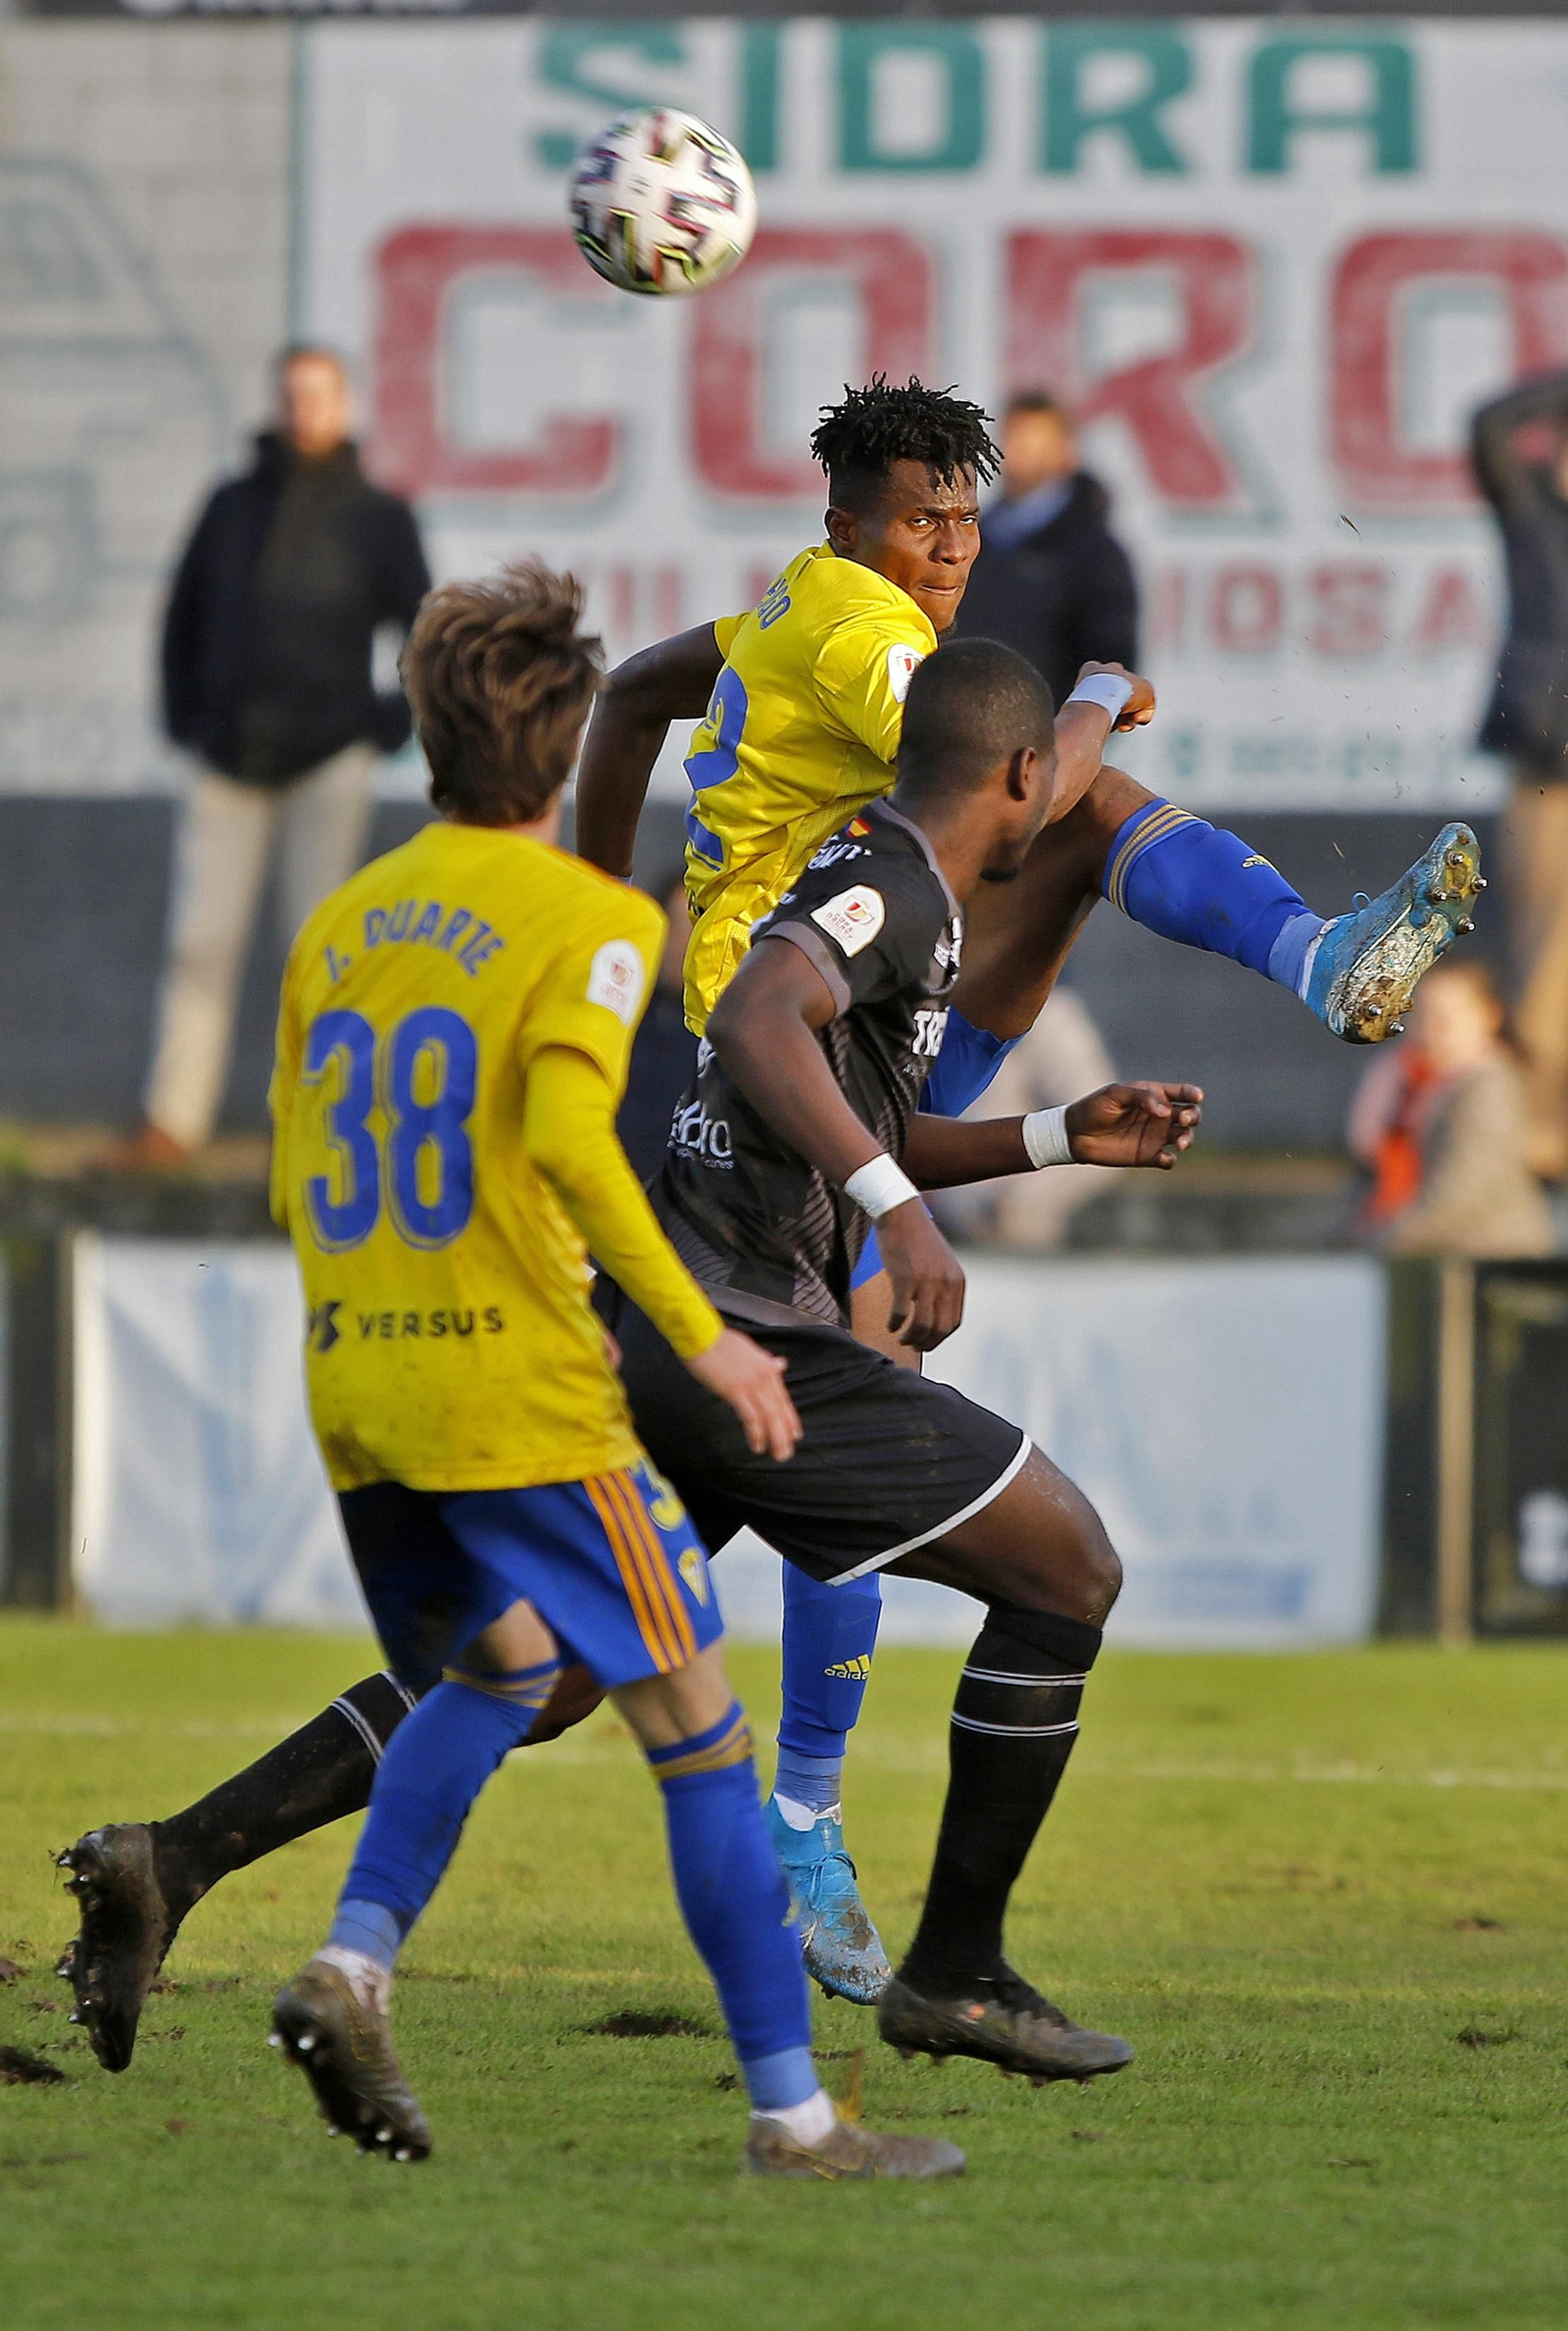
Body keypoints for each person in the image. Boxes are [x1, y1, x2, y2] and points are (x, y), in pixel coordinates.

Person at [57, 377, 1483, 2063]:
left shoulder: (794, 619)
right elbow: (1004, 793)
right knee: (1072, 842)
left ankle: (179, 1857)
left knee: (541, 1664)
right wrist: (1096, 697)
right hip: (790, 1069)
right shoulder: (866, 642)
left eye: (964, 523)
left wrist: (617, 915)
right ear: (848, 528)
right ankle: (824, 1840)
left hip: (803, 1082)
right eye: (920, 523)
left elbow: (641, 694)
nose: (947, 552)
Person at [258, 559, 962, 2178]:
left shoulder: (340, 922)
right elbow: (578, 1146)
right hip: (522, 1396)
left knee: (502, 1668)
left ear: (427, 736)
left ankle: (353, 1963)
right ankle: (795, 2120)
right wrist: (708, 1340)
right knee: (699, 1724)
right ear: (568, 747)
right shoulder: (590, 920)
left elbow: (296, 1173)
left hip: (359, 1389)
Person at [605, 635, 1201, 2082]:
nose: (1058, 802)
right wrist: (895, 1212)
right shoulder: (895, 881)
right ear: (1018, 777)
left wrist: (1056, 1135)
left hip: (701, 1334)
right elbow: (756, 1016)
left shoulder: (894, 875)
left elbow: (853, 1099)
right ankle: (952, 1969)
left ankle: (177, 1858)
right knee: (1067, 1570)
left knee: (535, 1669)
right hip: (753, 1336)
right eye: (1048, 781)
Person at [116, 346, 430, 1168]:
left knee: (321, 950)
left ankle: (322, 1128)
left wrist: (385, 724)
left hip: (327, 757)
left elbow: (423, 632)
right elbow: (183, 615)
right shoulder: (230, 506)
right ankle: (172, 1122)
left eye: (319, 396)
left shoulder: (376, 516)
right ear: (277, 404)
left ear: (346, 405)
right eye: (293, 396)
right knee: (199, 944)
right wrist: (186, 717)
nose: (304, 412)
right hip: (226, 758)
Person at [1471, 369, 1568, 1179]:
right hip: (1551, 755)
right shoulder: (1533, 506)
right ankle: (1537, 1121)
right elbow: (1490, 427)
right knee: (1548, 944)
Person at [1348, 961, 1554, 1258]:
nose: (1432, 1029)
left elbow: (1463, 1192)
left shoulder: (1487, 1086)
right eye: (1422, 1014)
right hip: (1436, 1255)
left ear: (1490, 1016)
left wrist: (1385, 1240)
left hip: (1492, 1259)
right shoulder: (1403, 1084)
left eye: (1448, 1016)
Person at [955, 390, 1138, 702]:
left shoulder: (1096, 555)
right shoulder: (970, 540)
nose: (1016, 455)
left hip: (1045, 727)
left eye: (1033, 444)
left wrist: (1066, 727)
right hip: (966, 720)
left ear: (1066, 452)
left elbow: (1110, 669)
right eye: (1012, 439)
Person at [932, 990, 1121, 1251]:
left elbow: (1105, 1135)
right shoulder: (917, 1001)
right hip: (905, 1225)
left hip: (1007, 1243)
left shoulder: (1049, 1018)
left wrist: (1011, 1204)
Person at [615, 870, 696, 1182]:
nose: (687, 945)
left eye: (699, 928)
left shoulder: (729, 1037)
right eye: (680, 927)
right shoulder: (620, 1014)